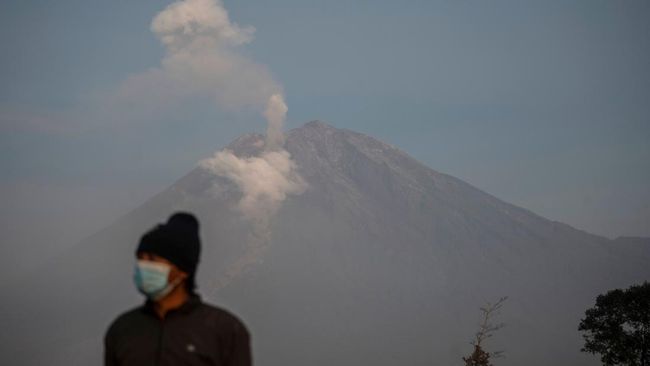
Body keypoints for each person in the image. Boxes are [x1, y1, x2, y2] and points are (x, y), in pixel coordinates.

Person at [104, 212, 252, 366]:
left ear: (183, 271)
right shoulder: (122, 329)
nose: (144, 266)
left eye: (153, 259)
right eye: (141, 258)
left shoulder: (224, 330)